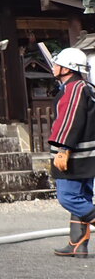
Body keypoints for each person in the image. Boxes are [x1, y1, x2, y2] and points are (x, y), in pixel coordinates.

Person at [47, 47, 95, 257]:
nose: (54, 66)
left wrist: (63, 149)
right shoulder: (87, 87)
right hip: (88, 155)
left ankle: (78, 243)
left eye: (57, 64)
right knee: (81, 196)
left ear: (67, 68)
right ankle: (77, 245)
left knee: (68, 197)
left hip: (75, 155)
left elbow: (69, 120)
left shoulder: (74, 88)